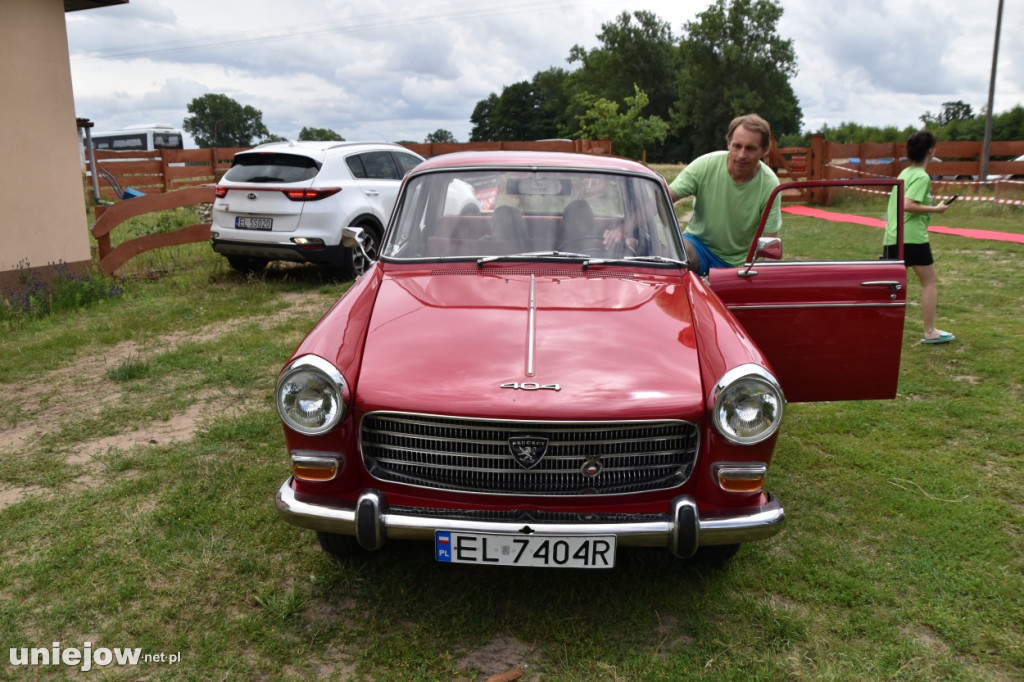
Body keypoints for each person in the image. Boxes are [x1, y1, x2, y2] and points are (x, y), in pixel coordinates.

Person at [668, 114, 782, 275]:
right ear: (728, 143)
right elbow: (662, 200)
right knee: (677, 255)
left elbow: (770, 244)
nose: (742, 154)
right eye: (737, 146)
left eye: (750, 148)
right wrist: (625, 229)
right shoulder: (705, 165)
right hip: (698, 245)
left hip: (740, 263)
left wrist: (768, 279)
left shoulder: (770, 184)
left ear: (764, 150)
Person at [882, 130, 954, 344]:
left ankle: (879, 330)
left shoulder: (905, 173)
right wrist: (937, 209)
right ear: (930, 150)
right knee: (929, 283)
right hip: (913, 238)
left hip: (892, 236)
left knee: (887, 287)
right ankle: (930, 331)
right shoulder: (922, 177)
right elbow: (907, 205)